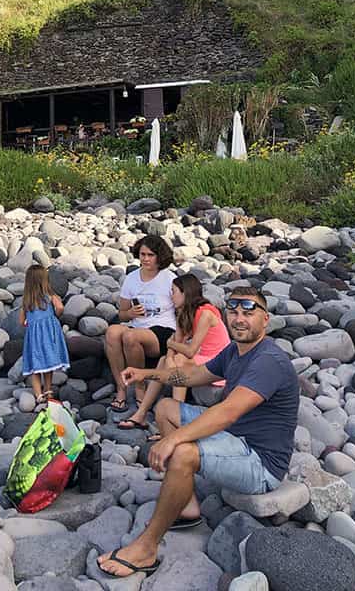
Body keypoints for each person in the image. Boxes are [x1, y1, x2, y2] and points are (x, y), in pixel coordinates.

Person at [98, 285, 299, 579]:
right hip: (234, 437)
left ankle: (146, 548)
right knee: (166, 407)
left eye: (249, 313)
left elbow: (228, 411)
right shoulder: (235, 351)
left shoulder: (269, 360)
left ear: (265, 320)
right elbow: (192, 375)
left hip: (260, 463)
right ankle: (187, 504)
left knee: (182, 453)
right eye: (234, 312)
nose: (239, 319)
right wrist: (146, 373)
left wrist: (174, 440)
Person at [118, 273, 230, 430]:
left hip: (218, 363)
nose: (171, 296)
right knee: (164, 360)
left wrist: (171, 347)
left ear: (185, 292)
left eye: (174, 291)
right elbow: (174, 347)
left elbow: (189, 351)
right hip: (202, 359)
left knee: (179, 361)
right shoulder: (182, 314)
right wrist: (170, 357)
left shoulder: (206, 313)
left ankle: (178, 420)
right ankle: (141, 414)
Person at [104, 235, 176, 411]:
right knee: (112, 332)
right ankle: (121, 388)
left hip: (163, 329)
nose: (145, 259)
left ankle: (139, 387)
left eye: (150, 255)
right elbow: (122, 314)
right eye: (142, 254)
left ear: (159, 256)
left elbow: (182, 309)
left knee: (130, 336)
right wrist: (130, 313)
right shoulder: (132, 278)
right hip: (138, 325)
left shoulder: (169, 278)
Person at [20, 265, 69, 406]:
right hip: (49, 333)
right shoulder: (51, 297)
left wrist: (31, 325)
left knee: (35, 365)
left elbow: (21, 321)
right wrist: (54, 317)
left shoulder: (26, 301)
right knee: (49, 362)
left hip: (34, 336)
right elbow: (60, 308)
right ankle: (48, 390)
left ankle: (38, 395)